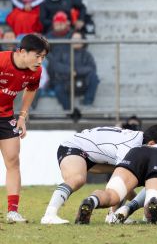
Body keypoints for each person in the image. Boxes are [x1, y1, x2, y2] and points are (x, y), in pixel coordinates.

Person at [41, 124, 144, 224]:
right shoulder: (130, 147)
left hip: (93, 153)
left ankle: (113, 216)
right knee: (77, 178)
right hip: (74, 147)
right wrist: (140, 203)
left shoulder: (137, 139)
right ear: (151, 143)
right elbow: (125, 184)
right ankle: (49, 215)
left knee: (125, 175)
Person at [0, 34, 48, 223]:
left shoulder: (36, 71)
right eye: (37, 56)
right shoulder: (2, 61)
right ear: (22, 52)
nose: (40, 61)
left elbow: (31, 89)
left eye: (43, 57)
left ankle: (12, 211)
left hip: (5, 116)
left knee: (13, 160)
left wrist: (22, 116)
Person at [46, 31, 99, 111]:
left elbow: (92, 68)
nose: (76, 41)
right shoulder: (62, 52)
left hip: (82, 82)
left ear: (83, 41)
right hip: (66, 81)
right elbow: (55, 66)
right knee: (58, 88)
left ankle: (87, 104)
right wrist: (70, 71)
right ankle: (70, 111)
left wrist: (76, 71)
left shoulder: (87, 54)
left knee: (94, 77)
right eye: (74, 39)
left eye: (78, 39)